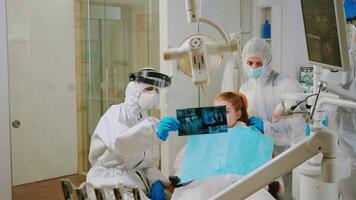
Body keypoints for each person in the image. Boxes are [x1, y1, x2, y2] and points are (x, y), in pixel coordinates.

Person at [86, 67, 180, 200]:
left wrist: (157, 182)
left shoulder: (145, 120)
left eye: (157, 90)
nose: (154, 94)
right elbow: (121, 143)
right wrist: (154, 132)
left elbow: (147, 164)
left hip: (135, 183)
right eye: (149, 89)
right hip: (110, 181)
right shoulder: (116, 112)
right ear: (135, 90)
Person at [239, 38, 305, 199]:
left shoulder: (285, 84)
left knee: (287, 195)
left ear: (267, 61)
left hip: (284, 155)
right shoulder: (245, 89)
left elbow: (298, 126)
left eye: (258, 63)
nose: (253, 67)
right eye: (250, 63)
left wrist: (267, 127)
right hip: (258, 156)